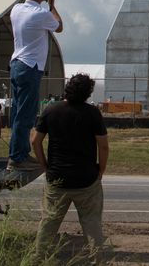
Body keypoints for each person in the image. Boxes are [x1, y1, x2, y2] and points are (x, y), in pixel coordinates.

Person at [33, 73, 109, 260]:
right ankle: (97, 259)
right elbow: (103, 145)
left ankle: (39, 258)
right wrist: (100, 171)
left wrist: (45, 166)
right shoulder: (92, 113)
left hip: (57, 177)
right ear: (88, 93)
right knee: (92, 223)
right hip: (86, 179)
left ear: (67, 88)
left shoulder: (51, 110)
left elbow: (35, 141)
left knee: (49, 222)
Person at [7, 0, 62, 171]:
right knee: (26, 114)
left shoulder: (16, 9)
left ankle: (18, 152)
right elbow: (59, 26)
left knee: (17, 112)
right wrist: (52, 6)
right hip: (30, 66)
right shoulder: (41, 13)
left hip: (16, 63)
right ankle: (17, 157)